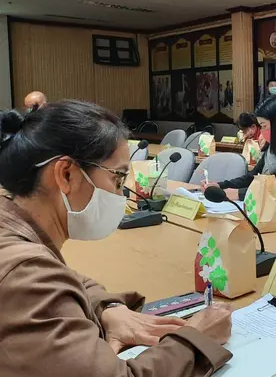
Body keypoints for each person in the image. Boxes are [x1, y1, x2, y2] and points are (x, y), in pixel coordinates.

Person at [0, 101, 232, 376]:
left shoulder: (12, 224)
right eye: (118, 179)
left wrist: (108, 307)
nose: (121, 196)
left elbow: (64, 277)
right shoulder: (26, 275)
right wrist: (197, 338)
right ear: (66, 174)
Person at [203, 96, 276, 205]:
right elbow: (252, 177)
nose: (262, 131)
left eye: (264, 126)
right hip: (269, 208)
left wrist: (240, 194)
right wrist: (220, 185)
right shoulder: (272, 148)